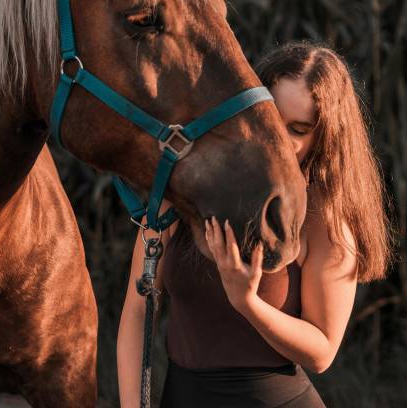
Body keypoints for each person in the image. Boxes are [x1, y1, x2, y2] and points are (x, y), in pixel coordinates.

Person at [117, 41, 392, 408]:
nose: (278, 139)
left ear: (323, 139)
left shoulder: (323, 217)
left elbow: (322, 352)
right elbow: (137, 312)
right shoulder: (185, 189)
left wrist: (248, 303)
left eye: (297, 129)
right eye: (271, 119)